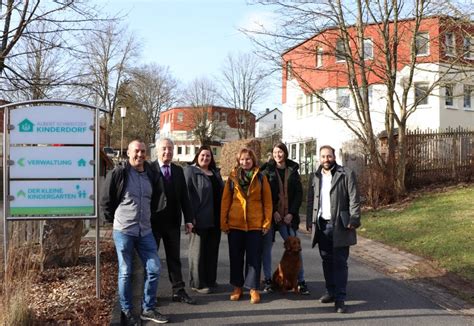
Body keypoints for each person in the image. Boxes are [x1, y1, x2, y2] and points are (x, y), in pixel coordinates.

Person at [100, 140, 169, 325]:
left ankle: (148, 309)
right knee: (125, 271)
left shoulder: (151, 175)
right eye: (136, 151)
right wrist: (109, 221)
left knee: (154, 268)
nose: (140, 155)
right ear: (128, 153)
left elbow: (156, 199)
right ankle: (127, 310)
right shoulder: (119, 173)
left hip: (145, 231)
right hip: (124, 230)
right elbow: (106, 199)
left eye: (143, 151)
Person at [306, 145, 361, 313]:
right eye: (323, 157)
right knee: (326, 260)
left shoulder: (346, 174)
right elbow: (310, 200)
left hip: (340, 225)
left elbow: (354, 198)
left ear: (334, 156)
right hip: (322, 225)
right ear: (319, 158)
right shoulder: (315, 176)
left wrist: (354, 218)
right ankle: (330, 291)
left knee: (340, 263)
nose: (326, 160)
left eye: (329, 156)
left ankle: (340, 298)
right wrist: (309, 220)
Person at [221, 147, 272, 304]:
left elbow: (268, 202)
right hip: (235, 224)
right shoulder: (232, 177)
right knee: (236, 258)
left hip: (255, 224)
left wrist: (267, 221)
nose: (245, 162)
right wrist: (223, 221)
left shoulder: (261, 178)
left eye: (248, 159)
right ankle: (237, 287)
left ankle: (253, 288)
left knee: (254, 258)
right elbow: (225, 200)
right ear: (238, 161)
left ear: (253, 160)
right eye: (242, 159)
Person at [260, 142, 310, 295]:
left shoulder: (293, 170)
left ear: (285, 153)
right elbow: (263, 194)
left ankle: (301, 281)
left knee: (295, 246)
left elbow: (298, 194)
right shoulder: (266, 170)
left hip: (287, 217)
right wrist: (273, 211)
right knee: (266, 249)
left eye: (280, 152)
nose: (278, 155)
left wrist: (291, 214)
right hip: (271, 216)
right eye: (275, 152)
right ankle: (268, 280)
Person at [151, 138, 196, 305]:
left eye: (170, 149)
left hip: (172, 223)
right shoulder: (149, 169)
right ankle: (150, 294)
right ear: (157, 150)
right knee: (151, 260)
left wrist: (189, 219)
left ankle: (178, 291)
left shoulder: (178, 171)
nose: (167, 152)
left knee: (174, 259)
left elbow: (185, 197)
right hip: (153, 223)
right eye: (164, 149)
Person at [184, 145, 224, 294]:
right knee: (197, 252)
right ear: (197, 156)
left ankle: (210, 279)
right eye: (202, 155)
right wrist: (190, 217)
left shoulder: (215, 173)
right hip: (199, 218)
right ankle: (197, 283)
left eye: (208, 156)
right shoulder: (190, 171)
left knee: (212, 251)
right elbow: (186, 195)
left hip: (215, 219)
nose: (205, 158)